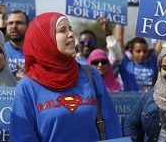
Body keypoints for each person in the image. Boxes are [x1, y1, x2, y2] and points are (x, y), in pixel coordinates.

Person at [10, 12, 122, 142]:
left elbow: (112, 126)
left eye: (70, 29)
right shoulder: (27, 86)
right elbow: (22, 136)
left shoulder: (91, 75)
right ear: (44, 39)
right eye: (62, 30)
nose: (70, 34)